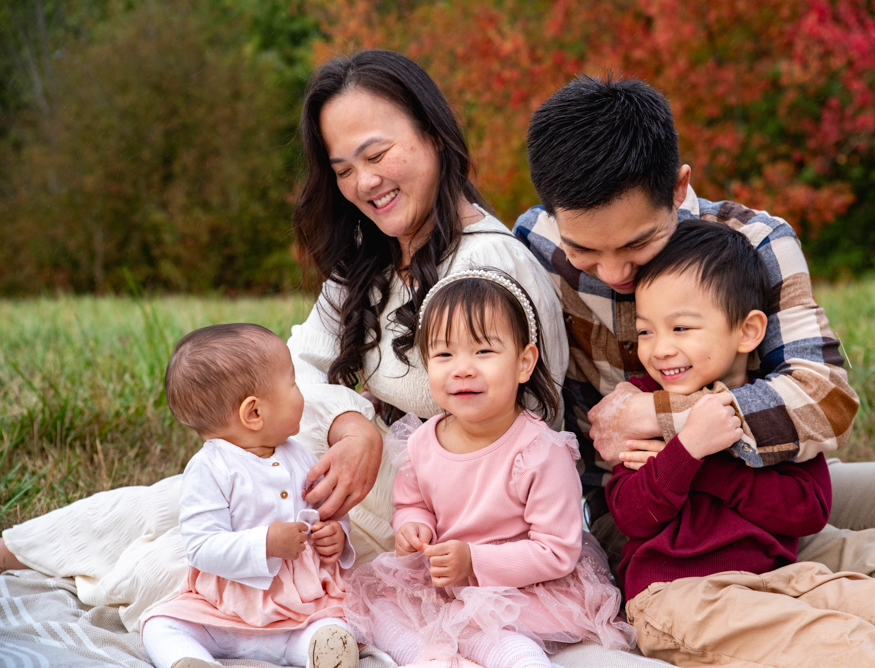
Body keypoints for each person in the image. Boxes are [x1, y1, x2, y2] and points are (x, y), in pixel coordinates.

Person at [1, 51, 652, 668]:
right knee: (212, 486)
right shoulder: (369, 261)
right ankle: (27, 552)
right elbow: (294, 364)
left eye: (377, 154)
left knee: (199, 533)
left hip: (452, 504)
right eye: (342, 169)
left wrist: (361, 429)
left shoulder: (487, 263)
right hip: (379, 482)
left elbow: (491, 418)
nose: (363, 182)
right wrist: (352, 423)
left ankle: (57, 565)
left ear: (433, 135)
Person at [514, 74, 875, 621]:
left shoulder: (756, 241)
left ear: (678, 189)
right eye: (585, 250)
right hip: (655, 518)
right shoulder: (534, 249)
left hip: (772, 490)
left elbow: (826, 402)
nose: (614, 271)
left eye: (637, 242)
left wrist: (657, 413)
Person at [606, 219, 875, 666]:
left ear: (748, 331)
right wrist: (687, 448)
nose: (658, 349)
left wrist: (712, 464)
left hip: (786, 572)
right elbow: (634, 515)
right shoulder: (642, 406)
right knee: (838, 643)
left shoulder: (775, 408)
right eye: (645, 331)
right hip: (681, 595)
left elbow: (807, 510)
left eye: (681, 329)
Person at [343, 270, 635, 668]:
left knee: (493, 630)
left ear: (523, 363)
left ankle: (518, 660)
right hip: (444, 579)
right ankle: (427, 658)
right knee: (381, 609)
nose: (462, 368)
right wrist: (413, 527)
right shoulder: (422, 441)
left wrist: (473, 562)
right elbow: (412, 503)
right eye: (444, 355)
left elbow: (556, 551)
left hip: (521, 585)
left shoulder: (540, 452)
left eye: (483, 352)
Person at [140, 324, 360, 668]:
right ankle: (190, 660)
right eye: (293, 383)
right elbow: (201, 547)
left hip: (298, 610)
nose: (301, 392)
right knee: (160, 624)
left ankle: (317, 650)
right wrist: (265, 544)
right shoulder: (210, 468)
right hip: (225, 611)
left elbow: (324, 512)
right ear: (254, 413)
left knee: (332, 625)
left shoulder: (299, 454)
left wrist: (336, 535)